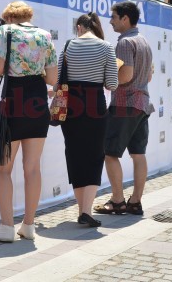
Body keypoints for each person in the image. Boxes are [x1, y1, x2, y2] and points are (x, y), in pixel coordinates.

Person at [0, 1, 57, 242]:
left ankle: (6, 227)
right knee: (32, 167)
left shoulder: (6, 31)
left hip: (14, 101)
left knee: (3, 169)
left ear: (8, 17)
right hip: (37, 102)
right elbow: (52, 78)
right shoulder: (45, 36)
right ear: (28, 16)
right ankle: (29, 225)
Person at [94, 1, 154, 216]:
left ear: (125, 19)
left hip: (124, 104)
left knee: (110, 154)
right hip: (143, 104)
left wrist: (107, 80)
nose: (110, 22)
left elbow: (126, 76)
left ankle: (117, 201)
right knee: (138, 154)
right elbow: (148, 76)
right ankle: (135, 201)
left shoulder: (125, 43)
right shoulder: (144, 41)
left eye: (114, 17)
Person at [60, 13, 118, 227]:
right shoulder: (106, 47)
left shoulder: (68, 46)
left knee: (74, 154)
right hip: (95, 105)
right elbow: (112, 83)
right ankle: (86, 211)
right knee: (94, 155)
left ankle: (81, 210)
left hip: (71, 106)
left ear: (79, 27)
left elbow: (59, 80)